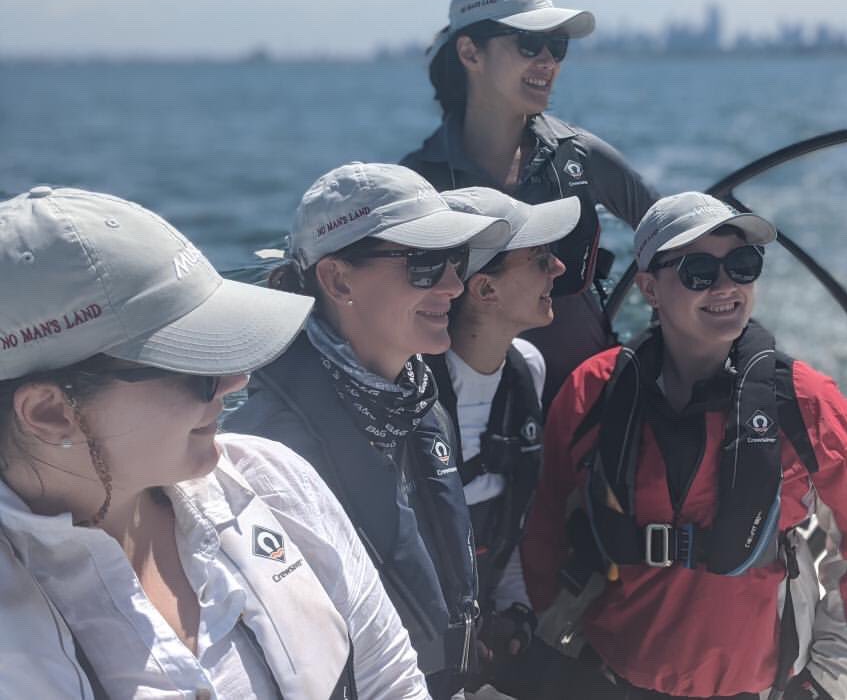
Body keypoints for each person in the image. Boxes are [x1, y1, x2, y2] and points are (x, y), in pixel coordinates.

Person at [0, 186, 429, 698]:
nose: (235, 380)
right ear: (50, 413)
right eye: (193, 364)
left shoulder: (276, 482)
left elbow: (392, 683)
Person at [521, 192, 847, 699]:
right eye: (699, 271)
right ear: (649, 289)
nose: (726, 286)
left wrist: (831, 681)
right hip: (607, 674)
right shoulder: (594, 391)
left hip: (760, 685)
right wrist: (551, 635)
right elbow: (545, 525)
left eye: (743, 265)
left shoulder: (804, 400)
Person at [225, 163, 510, 700]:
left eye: (456, 261)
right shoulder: (263, 453)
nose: (454, 285)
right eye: (425, 264)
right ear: (338, 279)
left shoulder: (417, 400)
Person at [401, 0, 660, 406]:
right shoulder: (420, 182)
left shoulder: (582, 155)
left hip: (589, 417)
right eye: (529, 43)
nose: (548, 62)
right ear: (470, 53)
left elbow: (673, 237)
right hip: (472, 427)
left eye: (557, 46)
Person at [424, 187, 579, 694]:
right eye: (539, 259)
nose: (557, 268)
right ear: (485, 290)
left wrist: (515, 612)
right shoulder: (411, 393)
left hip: (487, 627)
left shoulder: (526, 370)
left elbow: (512, 520)